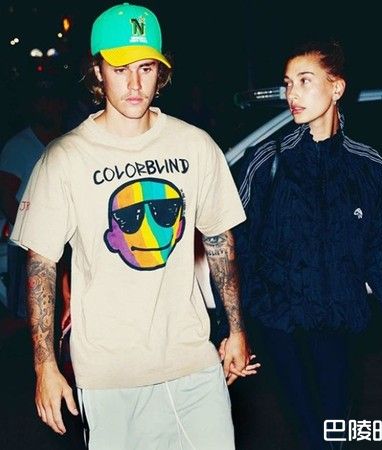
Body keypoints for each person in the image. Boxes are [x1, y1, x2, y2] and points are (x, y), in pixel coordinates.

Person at [11, 3, 258, 449]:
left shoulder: (195, 145)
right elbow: (41, 263)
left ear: (160, 72)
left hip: (193, 366)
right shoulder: (65, 158)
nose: (134, 83)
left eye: (146, 68)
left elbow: (220, 239)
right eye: (120, 68)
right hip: (109, 378)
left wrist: (236, 329)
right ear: (97, 72)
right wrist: (45, 365)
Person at [234, 40, 382, 450]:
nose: (292, 94)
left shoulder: (366, 167)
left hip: (340, 328)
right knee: (311, 436)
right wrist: (233, 331)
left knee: (335, 435)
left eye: (304, 81)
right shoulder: (267, 161)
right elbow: (235, 247)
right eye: (288, 83)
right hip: (282, 329)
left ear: (336, 88)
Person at [0, 80, 67, 319]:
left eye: (52, 100)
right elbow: (6, 196)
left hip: (59, 244)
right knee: (27, 313)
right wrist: (31, 234)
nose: (48, 106)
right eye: (41, 101)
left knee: (57, 310)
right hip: (26, 246)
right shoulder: (19, 146)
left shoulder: (65, 142)